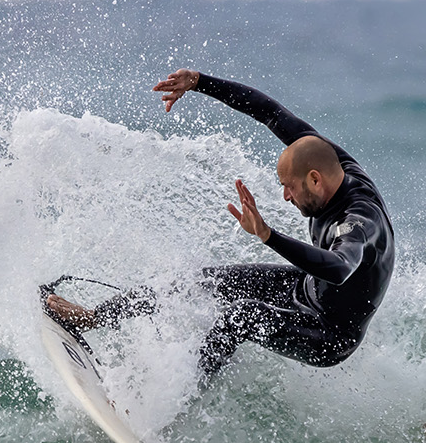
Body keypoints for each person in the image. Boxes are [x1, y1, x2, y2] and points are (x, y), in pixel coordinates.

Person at [45, 69, 395, 385]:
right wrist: (199, 82)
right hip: (306, 288)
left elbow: (339, 269)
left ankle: (175, 404)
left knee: (239, 316)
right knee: (201, 280)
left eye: (290, 186)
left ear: (315, 179)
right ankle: (93, 317)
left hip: (327, 334)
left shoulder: (361, 219)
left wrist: (268, 236)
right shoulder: (329, 161)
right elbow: (270, 113)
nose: (286, 196)